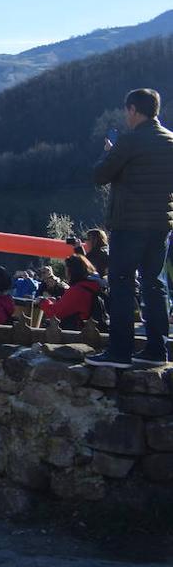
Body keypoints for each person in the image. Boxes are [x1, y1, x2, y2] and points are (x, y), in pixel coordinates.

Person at [87, 89, 173, 368]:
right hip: (160, 225)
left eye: (127, 111)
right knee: (154, 284)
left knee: (121, 284)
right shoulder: (170, 141)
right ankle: (157, 350)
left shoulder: (129, 142)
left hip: (128, 224)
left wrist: (108, 154)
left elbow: (100, 175)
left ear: (134, 109)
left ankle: (119, 351)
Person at [40, 255, 104, 330]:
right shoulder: (95, 286)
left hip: (78, 334)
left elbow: (54, 313)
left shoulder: (78, 291)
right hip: (93, 331)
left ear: (71, 271)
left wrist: (43, 302)